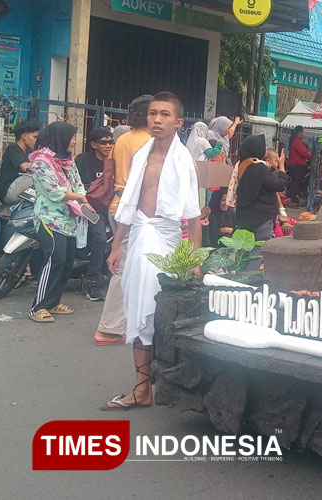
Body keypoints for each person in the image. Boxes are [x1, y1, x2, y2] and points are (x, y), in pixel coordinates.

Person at [101, 92, 202, 411]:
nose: (157, 119)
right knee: (138, 310)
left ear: (178, 122)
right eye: (153, 114)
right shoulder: (141, 153)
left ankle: (151, 386)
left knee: (156, 315)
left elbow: (193, 214)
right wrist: (117, 245)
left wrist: (195, 261)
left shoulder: (182, 158)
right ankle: (143, 388)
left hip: (167, 239)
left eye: (165, 115)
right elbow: (129, 204)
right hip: (140, 237)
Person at [93, 95, 153, 346]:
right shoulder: (150, 143)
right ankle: (109, 328)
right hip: (134, 210)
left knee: (128, 266)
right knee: (124, 268)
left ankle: (123, 323)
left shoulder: (123, 140)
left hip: (116, 206)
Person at [28, 122, 88, 323]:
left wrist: (82, 197)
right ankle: (38, 306)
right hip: (48, 218)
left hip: (68, 219)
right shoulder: (41, 162)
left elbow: (78, 183)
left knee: (67, 261)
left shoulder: (68, 161)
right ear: (59, 138)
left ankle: (53, 301)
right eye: (71, 137)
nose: (74, 141)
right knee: (55, 259)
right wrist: (79, 198)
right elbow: (54, 191)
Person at [75, 126, 113, 301]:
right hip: (85, 206)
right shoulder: (82, 160)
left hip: (110, 207)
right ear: (93, 144)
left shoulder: (114, 161)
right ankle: (92, 280)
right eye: (104, 142)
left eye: (110, 142)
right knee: (100, 237)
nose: (108, 145)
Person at [235, 134, 290, 245]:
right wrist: (281, 165)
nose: (265, 149)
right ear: (256, 148)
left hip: (245, 217)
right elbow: (279, 185)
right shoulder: (259, 167)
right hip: (260, 218)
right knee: (257, 252)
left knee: (244, 251)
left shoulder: (243, 165)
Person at [0, 121, 41, 205]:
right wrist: (45, 164)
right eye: (35, 137)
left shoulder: (29, 151)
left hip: (18, 187)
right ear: (24, 136)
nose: (37, 140)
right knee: (37, 176)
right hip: (7, 191)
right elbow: (24, 166)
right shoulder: (13, 149)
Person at [286, 126, 312, 204]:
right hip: (296, 165)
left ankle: (294, 197)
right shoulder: (297, 141)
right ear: (299, 133)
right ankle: (294, 197)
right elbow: (303, 153)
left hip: (295, 164)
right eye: (303, 132)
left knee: (295, 181)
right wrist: (312, 156)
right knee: (296, 181)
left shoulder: (295, 141)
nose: (304, 134)